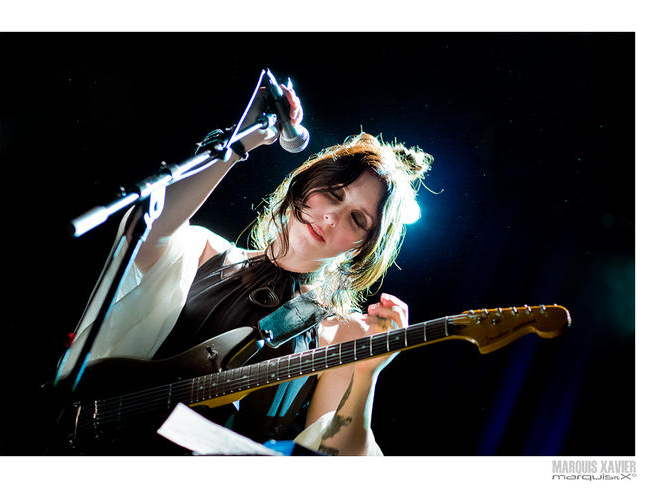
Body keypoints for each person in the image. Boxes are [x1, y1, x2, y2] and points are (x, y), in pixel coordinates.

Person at [58, 83, 432, 456]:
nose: (332, 217)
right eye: (333, 193)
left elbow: (337, 459)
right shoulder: (204, 250)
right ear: (305, 185)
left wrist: (367, 374)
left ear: (361, 247)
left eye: (357, 219)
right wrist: (245, 138)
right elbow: (147, 229)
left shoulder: (345, 332)